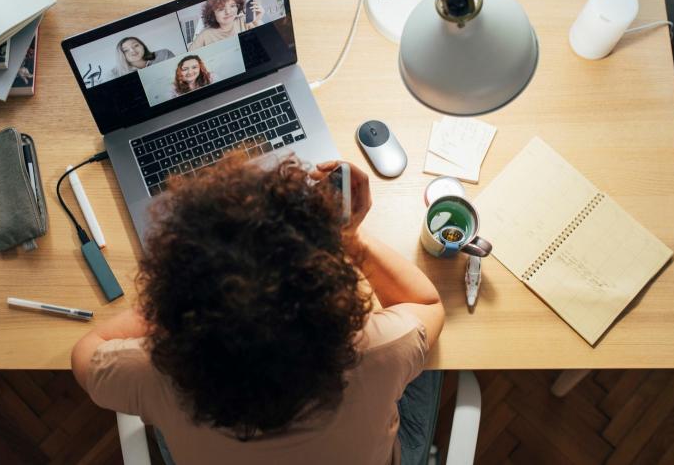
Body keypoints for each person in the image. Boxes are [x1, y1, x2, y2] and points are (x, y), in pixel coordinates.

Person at [72, 156, 446, 465]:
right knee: (432, 361)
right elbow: (426, 303)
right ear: (330, 294)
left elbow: (87, 350)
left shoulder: (154, 373)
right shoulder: (379, 350)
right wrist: (350, 239)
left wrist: (173, 299)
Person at [189, 0, 265, 50]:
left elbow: (267, 42)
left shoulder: (244, 21)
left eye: (232, 6)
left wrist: (257, 21)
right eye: (221, 9)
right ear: (212, 14)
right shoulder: (205, 34)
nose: (228, 12)